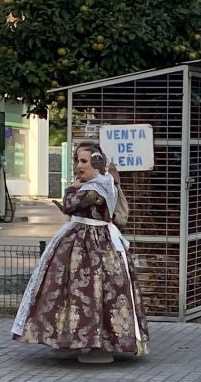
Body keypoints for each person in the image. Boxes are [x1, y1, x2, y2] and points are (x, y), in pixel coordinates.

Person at [12, 142, 146, 364]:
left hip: (93, 243)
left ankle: (98, 345)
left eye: (84, 161)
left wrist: (72, 187)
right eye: (77, 160)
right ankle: (67, 338)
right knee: (67, 290)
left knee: (94, 291)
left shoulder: (97, 188)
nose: (78, 165)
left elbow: (70, 204)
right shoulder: (101, 183)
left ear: (96, 163)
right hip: (81, 239)